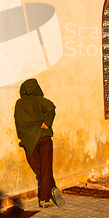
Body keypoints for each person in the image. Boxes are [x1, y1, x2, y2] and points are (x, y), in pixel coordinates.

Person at [14, 78, 65, 208]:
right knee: (46, 169)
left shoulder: (19, 104)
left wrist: (22, 136)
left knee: (41, 170)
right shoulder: (39, 100)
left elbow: (17, 122)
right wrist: (47, 123)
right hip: (43, 138)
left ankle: (51, 189)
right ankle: (44, 199)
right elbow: (51, 107)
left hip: (28, 142)